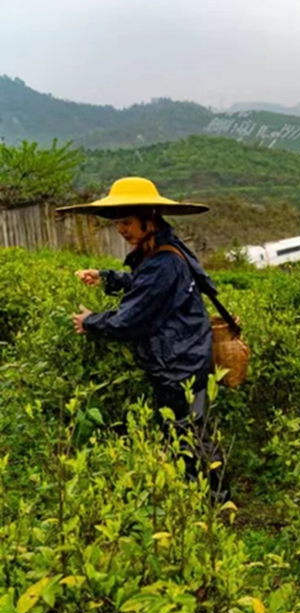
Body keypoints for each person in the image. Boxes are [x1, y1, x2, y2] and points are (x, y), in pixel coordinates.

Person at [60, 177, 227, 500]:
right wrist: (108, 277)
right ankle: (198, 498)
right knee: (185, 432)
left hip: (181, 364)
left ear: (148, 219)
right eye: (118, 223)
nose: (122, 230)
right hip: (184, 357)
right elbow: (144, 283)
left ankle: (216, 502)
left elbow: (130, 320)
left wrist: (91, 321)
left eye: (127, 222)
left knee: (190, 433)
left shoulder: (164, 262)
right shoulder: (161, 251)